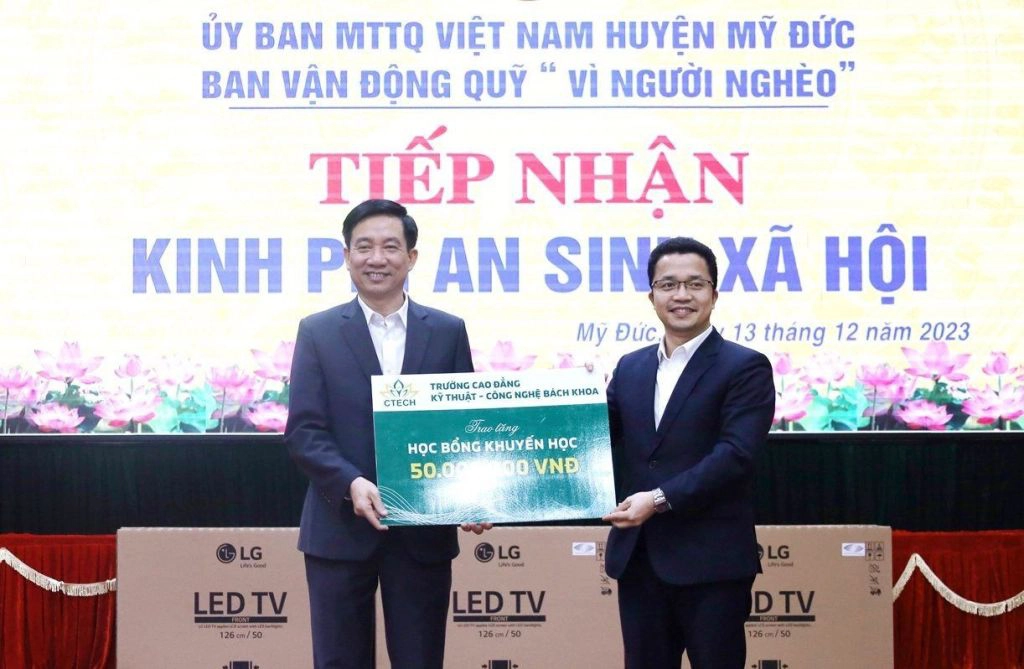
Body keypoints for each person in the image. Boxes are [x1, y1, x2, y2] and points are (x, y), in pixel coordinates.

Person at [285, 199, 488, 669]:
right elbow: (305, 431)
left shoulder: (447, 330)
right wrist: (351, 483)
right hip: (339, 529)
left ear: (411, 257)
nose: (377, 258)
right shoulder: (317, 332)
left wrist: (473, 494)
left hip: (423, 533)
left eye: (391, 247)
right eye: (364, 247)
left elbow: (463, 428)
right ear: (346, 256)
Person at [602, 237, 775, 669]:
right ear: (652, 296)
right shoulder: (629, 367)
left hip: (712, 564)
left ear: (714, 294)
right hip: (640, 560)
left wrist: (658, 499)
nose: (681, 295)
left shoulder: (745, 366)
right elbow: (588, 444)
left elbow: (735, 455)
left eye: (695, 284)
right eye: (668, 285)